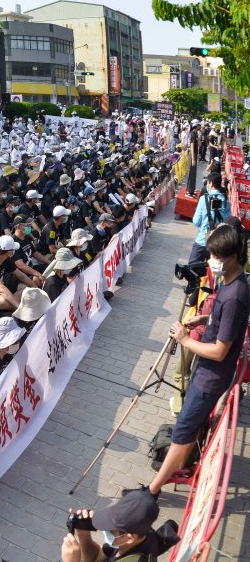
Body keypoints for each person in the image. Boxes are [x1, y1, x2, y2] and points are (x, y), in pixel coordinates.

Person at [150, 224, 248, 497]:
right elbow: (227, 324)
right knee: (189, 427)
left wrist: (184, 340)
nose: (211, 261)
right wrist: (206, 318)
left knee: (182, 431)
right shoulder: (230, 282)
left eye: (216, 256)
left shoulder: (235, 296)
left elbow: (219, 351)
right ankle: (179, 468)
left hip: (210, 378)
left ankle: (152, 490)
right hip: (206, 373)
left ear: (233, 256)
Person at [61, 490, 179, 562]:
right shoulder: (139, 534)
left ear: (129, 537)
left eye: (110, 528)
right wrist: (83, 535)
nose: (105, 529)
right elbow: (96, 558)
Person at [189, 171, 229, 263]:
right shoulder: (226, 202)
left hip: (202, 240)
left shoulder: (203, 199)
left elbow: (196, 221)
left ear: (211, 183)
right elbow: (228, 221)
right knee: (213, 269)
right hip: (218, 243)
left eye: (208, 182)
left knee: (192, 267)